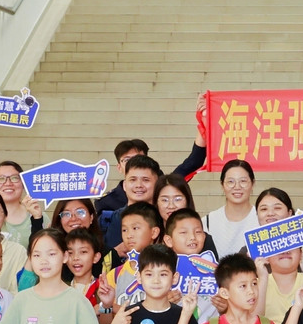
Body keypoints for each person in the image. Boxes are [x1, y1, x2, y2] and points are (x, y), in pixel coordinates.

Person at [91, 100, 209, 235]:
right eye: (127, 160)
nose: (139, 185)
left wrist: (204, 120)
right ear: (119, 167)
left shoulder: (164, 188)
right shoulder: (107, 203)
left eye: (138, 158)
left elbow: (193, 162)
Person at [102, 155, 164, 253]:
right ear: (124, 185)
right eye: (133, 180)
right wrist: (114, 253)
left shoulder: (165, 218)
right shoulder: (110, 220)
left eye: (145, 180)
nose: (139, 185)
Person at [204, 159, 257, 255]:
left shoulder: (262, 219)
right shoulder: (208, 222)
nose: (237, 187)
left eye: (243, 181)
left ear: (252, 183)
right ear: (222, 185)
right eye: (231, 181)